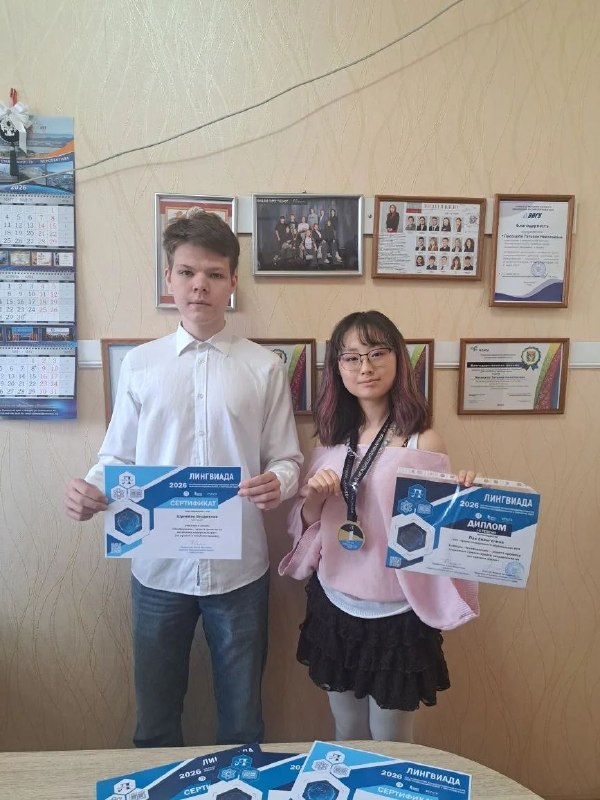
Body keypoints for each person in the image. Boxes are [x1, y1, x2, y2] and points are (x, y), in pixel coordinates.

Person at [64, 212, 303, 748]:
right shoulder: (140, 365)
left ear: (232, 282)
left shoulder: (264, 367)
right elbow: (117, 454)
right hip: (157, 567)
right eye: (188, 272)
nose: (200, 285)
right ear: (169, 278)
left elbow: (287, 458)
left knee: (242, 722)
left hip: (240, 570)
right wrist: (93, 489)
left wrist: (279, 482)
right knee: (155, 722)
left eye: (215, 274)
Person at [279, 311, 479, 742]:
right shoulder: (330, 440)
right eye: (351, 357)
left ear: (398, 359)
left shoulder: (422, 440)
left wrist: (463, 501)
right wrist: (314, 498)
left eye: (376, 353)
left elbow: (438, 534)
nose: (365, 367)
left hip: (398, 611)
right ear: (338, 368)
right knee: (347, 729)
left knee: (392, 740)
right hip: (336, 604)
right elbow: (309, 525)